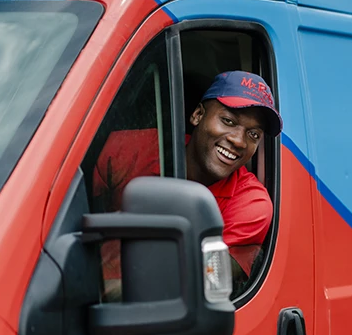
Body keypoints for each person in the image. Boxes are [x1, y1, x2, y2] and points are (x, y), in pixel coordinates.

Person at [93, 71, 282, 300]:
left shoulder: (252, 202)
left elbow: (206, 278)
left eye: (253, 134)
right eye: (228, 121)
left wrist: (114, 293)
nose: (239, 141)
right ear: (197, 115)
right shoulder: (127, 150)